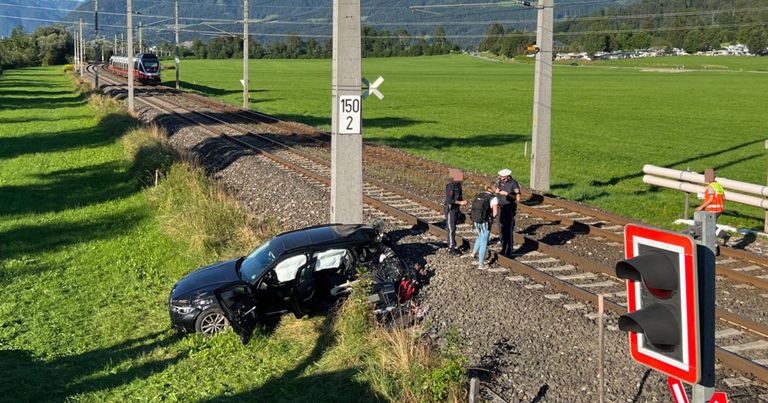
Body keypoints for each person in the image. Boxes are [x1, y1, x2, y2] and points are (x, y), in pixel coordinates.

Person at [470, 182, 498, 269]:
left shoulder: (480, 195)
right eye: (497, 188)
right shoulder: (493, 198)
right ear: (494, 189)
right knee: (484, 241)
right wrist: (492, 219)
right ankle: (481, 264)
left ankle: (473, 253)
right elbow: (495, 213)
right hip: (485, 222)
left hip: (476, 220)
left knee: (480, 236)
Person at [495, 168, 521, 258]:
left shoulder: (513, 183)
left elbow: (517, 198)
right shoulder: (499, 182)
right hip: (500, 208)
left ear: (507, 176)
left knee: (508, 230)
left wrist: (507, 194)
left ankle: (509, 251)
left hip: (509, 208)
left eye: (503, 177)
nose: (501, 178)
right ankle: (503, 248)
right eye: (501, 177)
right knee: (501, 228)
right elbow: (496, 192)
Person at [444, 169, 468, 256]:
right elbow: (449, 200)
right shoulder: (451, 186)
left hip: (456, 209)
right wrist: (460, 202)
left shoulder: (458, 186)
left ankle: (453, 244)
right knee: (451, 228)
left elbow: (459, 197)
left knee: (454, 228)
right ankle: (451, 247)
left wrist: (462, 201)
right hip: (450, 209)